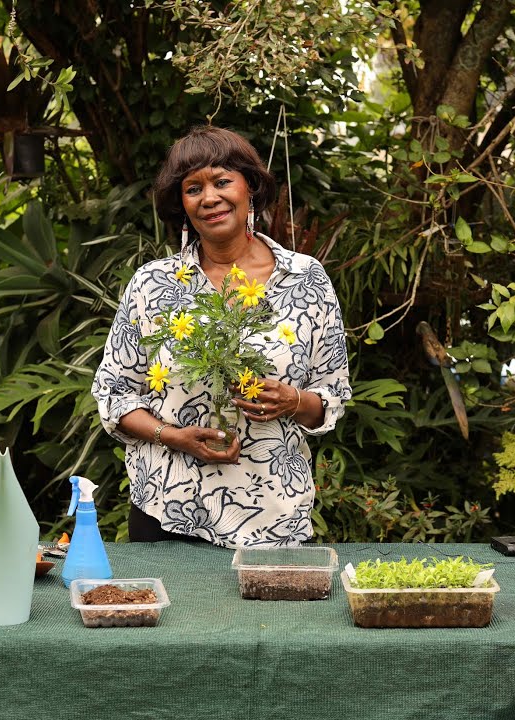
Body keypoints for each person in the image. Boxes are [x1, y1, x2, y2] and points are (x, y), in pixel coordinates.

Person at [92, 125, 352, 547]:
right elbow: (113, 393)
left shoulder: (305, 279)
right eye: (193, 188)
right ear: (182, 205)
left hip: (273, 516)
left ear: (250, 187)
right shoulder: (152, 285)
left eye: (222, 181)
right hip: (168, 510)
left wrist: (294, 400)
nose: (209, 197)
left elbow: (332, 395)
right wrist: (173, 436)